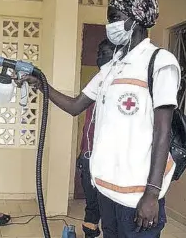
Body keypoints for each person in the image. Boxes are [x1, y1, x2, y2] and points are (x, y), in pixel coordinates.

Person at [17, 0, 180, 238]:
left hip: (137, 195)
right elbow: (75, 106)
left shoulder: (159, 62)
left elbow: (163, 131)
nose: (110, 25)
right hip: (106, 190)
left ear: (135, 19)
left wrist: (152, 194)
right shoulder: (112, 68)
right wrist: (41, 84)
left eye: (114, 18)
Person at [77, 39, 116, 238]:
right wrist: (82, 154)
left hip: (108, 163)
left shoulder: (118, 85)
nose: (100, 56)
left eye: (105, 52)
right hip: (88, 158)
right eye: (99, 52)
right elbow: (88, 126)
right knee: (91, 208)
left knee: (108, 209)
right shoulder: (97, 83)